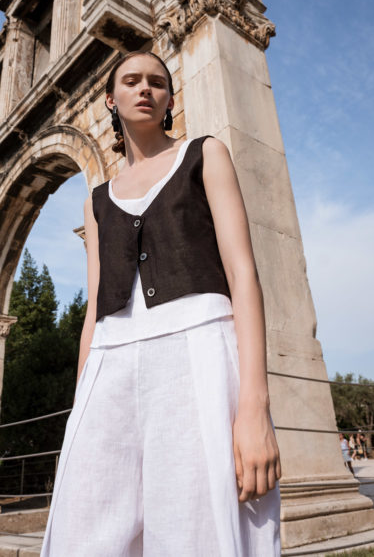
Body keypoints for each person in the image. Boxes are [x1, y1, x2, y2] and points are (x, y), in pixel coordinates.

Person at [41, 50, 281, 556]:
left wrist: (254, 407)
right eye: (131, 80)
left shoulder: (205, 154)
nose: (145, 88)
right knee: (83, 534)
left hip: (199, 352)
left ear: (170, 99)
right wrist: (79, 408)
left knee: (198, 530)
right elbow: (94, 312)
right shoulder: (96, 201)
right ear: (111, 99)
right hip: (109, 365)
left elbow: (243, 276)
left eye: (157, 81)